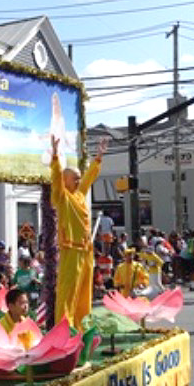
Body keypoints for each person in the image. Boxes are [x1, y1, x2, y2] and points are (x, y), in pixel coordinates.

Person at [50, 134, 107, 327]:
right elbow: (56, 180)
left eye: (78, 178)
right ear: (65, 180)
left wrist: (98, 158)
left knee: (84, 292)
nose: (78, 181)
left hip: (86, 250)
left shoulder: (80, 195)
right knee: (68, 291)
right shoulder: (62, 197)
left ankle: (82, 327)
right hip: (71, 250)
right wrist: (55, 158)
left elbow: (89, 179)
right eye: (75, 178)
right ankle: (64, 328)